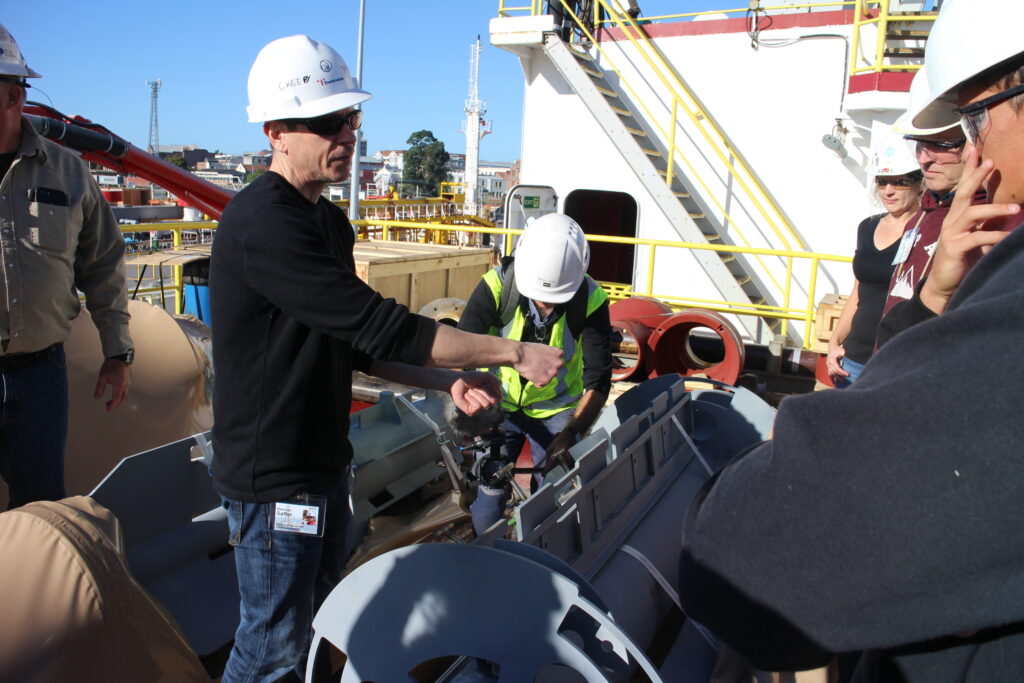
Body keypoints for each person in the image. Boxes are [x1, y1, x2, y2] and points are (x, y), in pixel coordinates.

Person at [678, 1, 1024, 679]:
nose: (970, 151)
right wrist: (934, 299)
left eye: (974, 120)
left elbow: (738, 559)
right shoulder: (947, 247)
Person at [211, 34, 563, 683]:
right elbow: (388, 327)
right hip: (273, 478)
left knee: (314, 623)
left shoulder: (326, 225)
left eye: (350, 118)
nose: (344, 134)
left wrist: (448, 382)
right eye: (326, 122)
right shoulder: (263, 223)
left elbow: (356, 344)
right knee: (271, 645)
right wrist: (514, 350)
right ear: (277, 132)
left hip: (321, 465)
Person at [0, 24, 133, 510]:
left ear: (13, 95)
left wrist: (119, 354)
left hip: (38, 379)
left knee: (40, 513)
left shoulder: (67, 172)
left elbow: (102, 263)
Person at [457, 213, 612, 535]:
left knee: (549, 501)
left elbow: (598, 376)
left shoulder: (591, 298)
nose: (546, 306)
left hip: (558, 413)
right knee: (489, 498)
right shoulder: (497, 286)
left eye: (556, 299)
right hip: (499, 406)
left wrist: (573, 432)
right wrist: (479, 409)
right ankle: (488, 553)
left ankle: (534, 556)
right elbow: (462, 349)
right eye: (540, 297)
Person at [826, 134, 922, 387]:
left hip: (898, 363)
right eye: (882, 182)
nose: (888, 191)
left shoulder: (928, 229)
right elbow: (859, 292)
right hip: (853, 360)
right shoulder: (867, 227)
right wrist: (835, 343)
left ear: (919, 183)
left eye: (899, 182)